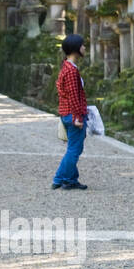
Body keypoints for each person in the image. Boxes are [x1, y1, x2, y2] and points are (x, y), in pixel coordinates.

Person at [53, 34, 89, 190]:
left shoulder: (66, 67)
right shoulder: (71, 71)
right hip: (72, 114)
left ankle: (68, 178)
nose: (85, 48)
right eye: (82, 45)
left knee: (74, 148)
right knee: (74, 149)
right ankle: (64, 179)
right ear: (76, 49)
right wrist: (78, 117)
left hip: (66, 113)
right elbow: (74, 97)